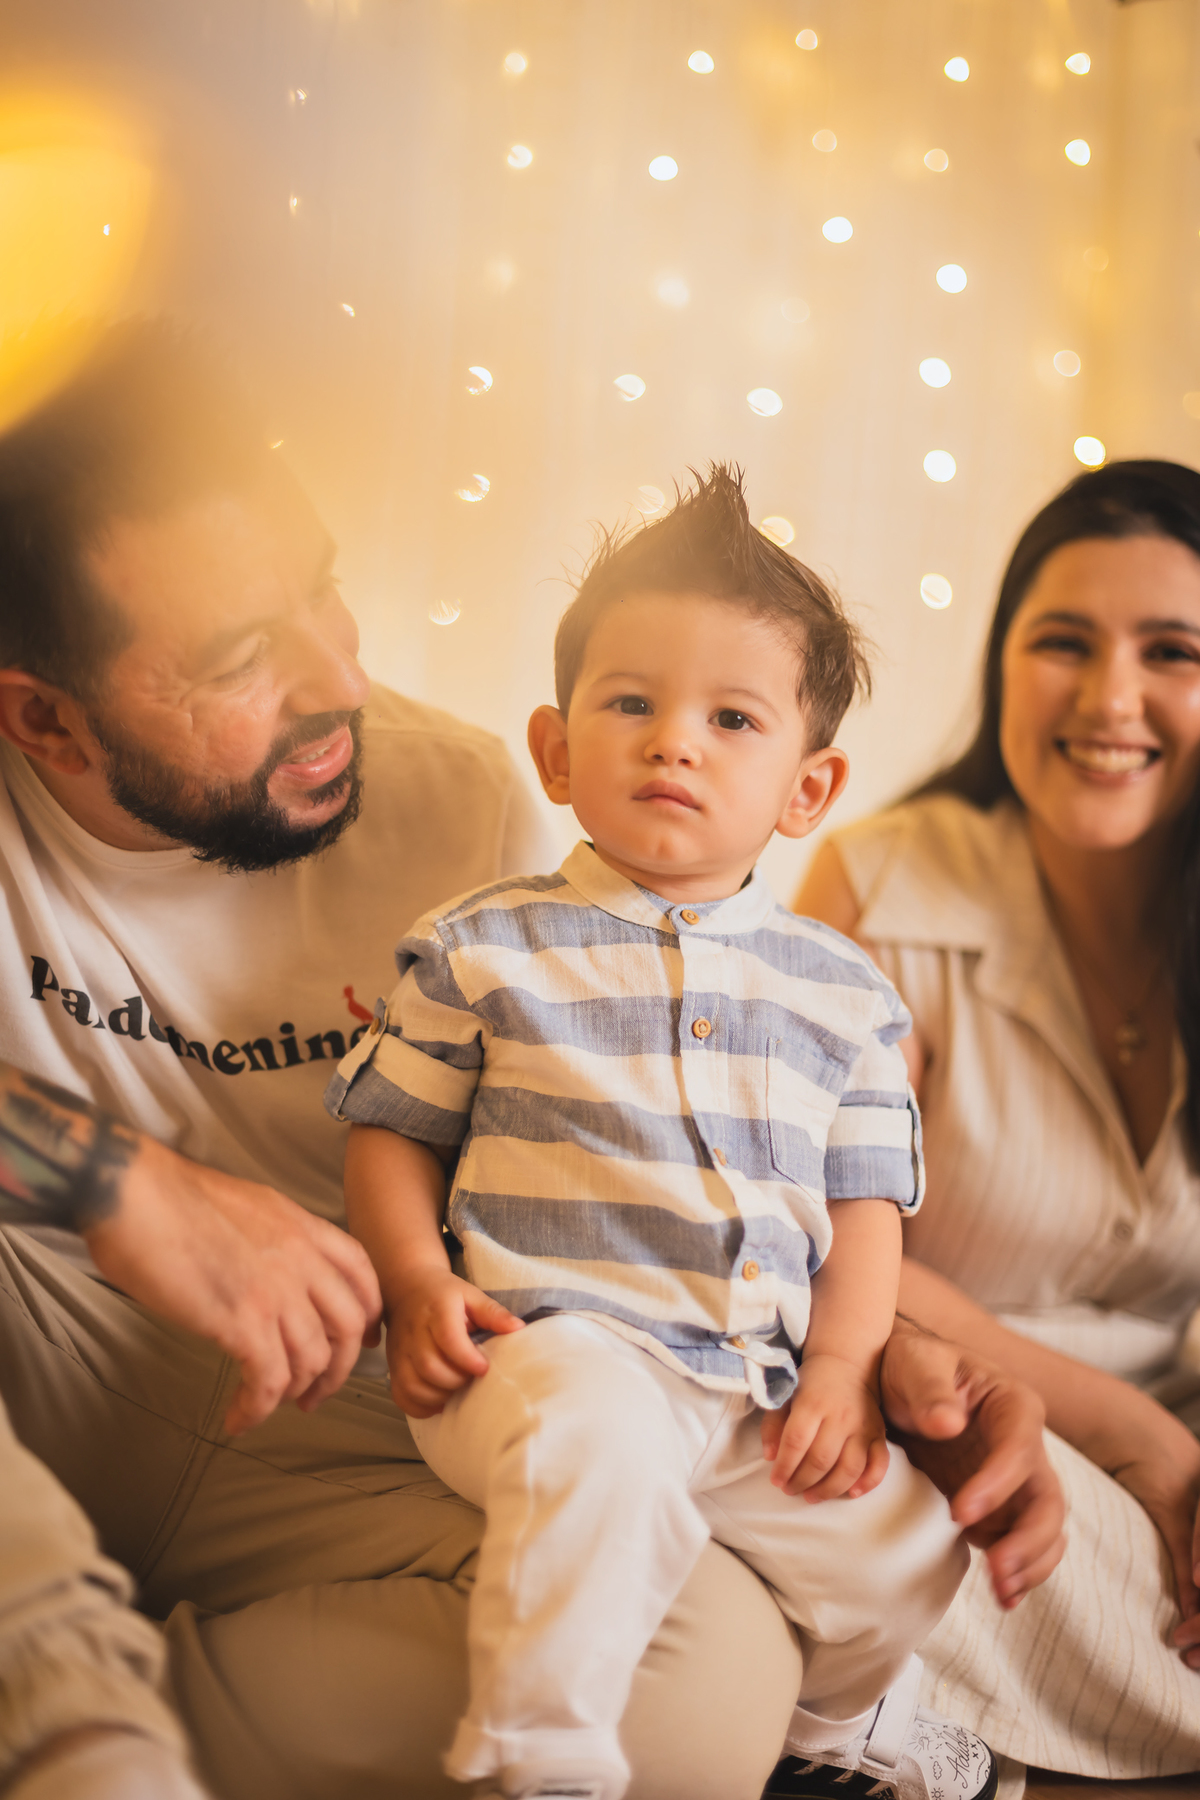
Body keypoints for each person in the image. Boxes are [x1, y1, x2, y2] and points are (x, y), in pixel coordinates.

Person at [0, 319, 1063, 1800]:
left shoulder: (447, 796)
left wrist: (879, 1354)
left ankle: (121, 1715)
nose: (340, 677)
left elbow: (662, 1149)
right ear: (43, 719)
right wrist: (118, 1180)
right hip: (49, 1406)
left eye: (323, 587)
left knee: (700, 1686)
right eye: (243, 655)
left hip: (364, 1420)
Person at [328, 468, 1003, 1800]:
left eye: (730, 718)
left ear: (808, 787)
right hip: (542, 1357)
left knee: (913, 1548)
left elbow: (865, 1206)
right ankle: (543, 1753)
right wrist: (413, 1282)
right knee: (598, 1443)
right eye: (631, 703)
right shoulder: (485, 946)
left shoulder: (845, 996)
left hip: (751, 1390)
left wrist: (844, 1367)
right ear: (556, 749)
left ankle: (825, 1741)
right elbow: (392, 1132)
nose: (673, 744)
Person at [797, 458, 1200, 1786]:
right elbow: (813, 1233)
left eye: (1173, 653)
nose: (1110, 700)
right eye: (1063, 643)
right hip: (957, 1414)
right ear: (1002, 663)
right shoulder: (884, 884)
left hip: (1179, 1444)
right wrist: (1133, 1435)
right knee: (864, 1518)